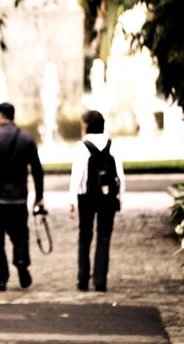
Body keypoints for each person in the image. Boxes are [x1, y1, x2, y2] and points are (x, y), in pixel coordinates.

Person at [0, 102, 45, 291]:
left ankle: (0, 279)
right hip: (18, 198)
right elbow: (37, 169)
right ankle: (21, 260)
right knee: (20, 233)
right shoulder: (26, 138)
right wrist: (39, 195)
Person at [68, 110, 125, 292]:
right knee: (104, 236)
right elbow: (120, 176)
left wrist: (71, 201)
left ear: (86, 125)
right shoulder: (112, 145)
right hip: (108, 198)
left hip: (86, 197)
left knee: (85, 236)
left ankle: (83, 279)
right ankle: (100, 281)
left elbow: (76, 176)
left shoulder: (82, 146)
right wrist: (120, 198)